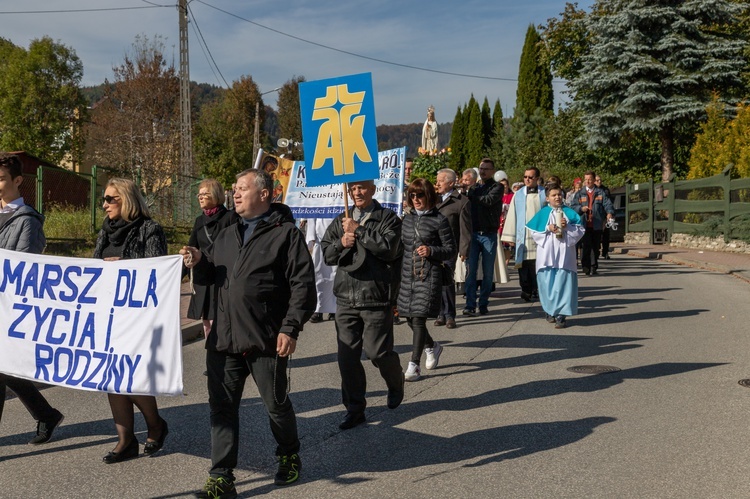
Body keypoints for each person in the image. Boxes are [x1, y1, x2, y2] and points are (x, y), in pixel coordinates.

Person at [182, 168, 316, 496]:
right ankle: (221, 476)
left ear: (264, 194)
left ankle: (288, 455)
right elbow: (213, 276)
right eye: (234, 188)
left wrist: (290, 327)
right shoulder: (227, 234)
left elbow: (303, 286)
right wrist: (199, 261)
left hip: (265, 338)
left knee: (276, 404)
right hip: (224, 338)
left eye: (242, 188)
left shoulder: (286, 235)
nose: (236, 193)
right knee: (222, 408)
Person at [93, 177, 169, 463]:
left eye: (110, 199)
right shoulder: (105, 231)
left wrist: (122, 267)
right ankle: (125, 440)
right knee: (112, 378)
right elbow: (93, 266)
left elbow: (156, 270)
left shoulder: (150, 229)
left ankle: (155, 425)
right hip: (108, 316)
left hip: (137, 317)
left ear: (126, 200)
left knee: (132, 377)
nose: (104, 205)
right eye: (104, 199)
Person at [321, 180, 405, 431]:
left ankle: (395, 379)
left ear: (373, 190)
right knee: (347, 357)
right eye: (353, 189)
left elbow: (389, 250)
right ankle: (355, 409)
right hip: (346, 297)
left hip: (376, 296)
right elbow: (327, 254)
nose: (356, 192)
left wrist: (358, 230)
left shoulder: (388, 218)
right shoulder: (340, 220)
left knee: (378, 352)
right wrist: (341, 243)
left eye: (362, 188)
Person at [0, 154, 64, 445]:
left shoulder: (28, 221)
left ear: (17, 181)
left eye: (1, 178)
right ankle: (46, 414)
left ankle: (46, 414)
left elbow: (26, 267)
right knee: (5, 370)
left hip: (11, 309)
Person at [399, 179, 456, 381]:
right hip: (407, 274)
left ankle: (414, 364)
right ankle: (432, 346)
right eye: (412, 195)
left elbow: (450, 249)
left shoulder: (439, 220)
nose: (416, 199)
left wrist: (431, 250)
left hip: (428, 274)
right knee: (409, 318)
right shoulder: (406, 219)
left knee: (419, 318)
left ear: (429, 196)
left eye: (420, 195)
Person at [526, 184, 585, 328]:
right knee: (547, 284)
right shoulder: (542, 213)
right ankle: (549, 310)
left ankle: (561, 315)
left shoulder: (569, 213)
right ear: (547, 198)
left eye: (559, 194)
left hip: (564, 254)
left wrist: (567, 227)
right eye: (554, 195)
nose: (557, 197)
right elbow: (534, 233)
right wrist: (548, 228)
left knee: (563, 284)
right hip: (546, 255)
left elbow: (580, 230)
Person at [185, 179, 238, 338]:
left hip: (224, 277)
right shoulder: (199, 221)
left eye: (205, 194)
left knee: (223, 321)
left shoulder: (230, 217)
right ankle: (213, 357)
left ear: (216, 195)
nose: (200, 197)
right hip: (205, 278)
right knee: (207, 322)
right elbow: (192, 246)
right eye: (199, 194)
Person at [463, 158, 504, 316]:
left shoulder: (497, 187)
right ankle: (470, 304)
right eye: (481, 168)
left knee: (487, 272)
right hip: (473, 234)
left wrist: (471, 196)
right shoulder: (474, 187)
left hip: (488, 234)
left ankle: (484, 303)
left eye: (487, 169)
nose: (483, 171)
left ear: (492, 171)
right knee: (470, 271)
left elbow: (488, 200)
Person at [501, 167, 546, 302]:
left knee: (537, 265)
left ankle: (537, 289)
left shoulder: (544, 194)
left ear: (537, 179)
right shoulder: (519, 194)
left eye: (530, 177)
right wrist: (510, 236)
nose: (527, 179)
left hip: (541, 235)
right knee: (523, 265)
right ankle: (525, 289)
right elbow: (512, 215)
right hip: (523, 236)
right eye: (525, 177)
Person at [434, 169, 471, 329]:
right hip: (433, 246)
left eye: (441, 180)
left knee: (447, 280)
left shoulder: (461, 201)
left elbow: (465, 229)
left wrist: (464, 250)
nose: (437, 183)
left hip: (449, 246)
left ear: (450, 183)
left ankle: (450, 315)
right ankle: (440, 313)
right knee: (435, 281)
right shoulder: (432, 199)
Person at [570, 171, 615, 276]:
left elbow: (608, 204)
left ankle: (594, 267)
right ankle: (586, 267)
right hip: (584, 225)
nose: (587, 181)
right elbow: (573, 206)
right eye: (585, 179)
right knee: (586, 246)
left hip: (597, 224)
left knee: (595, 247)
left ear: (594, 180)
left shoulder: (600, 192)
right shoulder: (579, 193)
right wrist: (581, 208)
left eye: (589, 179)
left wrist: (609, 213)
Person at [306, 218, 337, 323]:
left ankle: (334, 309)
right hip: (320, 239)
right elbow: (312, 215)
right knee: (319, 275)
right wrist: (311, 237)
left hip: (338, 238)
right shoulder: (318, 201)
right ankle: (318, 309)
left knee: (336, 276)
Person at [595, 174, 612, 259]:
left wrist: (611, 213)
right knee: (597, 234)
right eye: (597, 180)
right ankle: (596, 251)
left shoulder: (605, 190)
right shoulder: (592, 191)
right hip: (596, 216)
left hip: (605, 215)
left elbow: (609, 203)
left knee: (606, 234)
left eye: (600, 180)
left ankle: (605, 252)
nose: (599, 182)